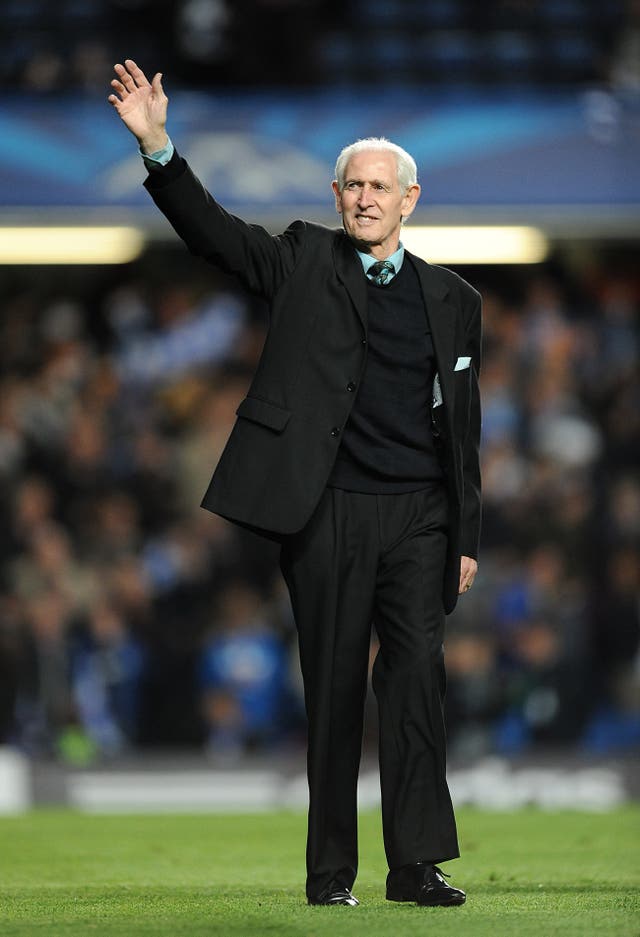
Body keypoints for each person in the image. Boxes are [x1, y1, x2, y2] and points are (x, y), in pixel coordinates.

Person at [109, 59, 481, 908]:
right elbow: (214, 234)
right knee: (337, 686)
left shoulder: (456, 300)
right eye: (351, 184)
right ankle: (330, 876)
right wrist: (160, 146)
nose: (364, 197)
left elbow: (463, 430)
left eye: (379, 186)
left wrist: (465, 536)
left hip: (422, 515)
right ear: (337, 194)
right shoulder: (303, 259)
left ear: (410, 199)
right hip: (328, 512)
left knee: (418, 675)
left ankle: (418, 865)